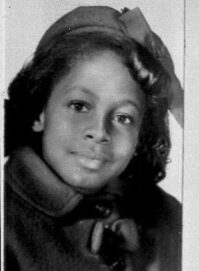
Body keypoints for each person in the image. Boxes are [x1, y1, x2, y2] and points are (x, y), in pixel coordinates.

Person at [4, 6, 182, 271]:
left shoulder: (170, 217)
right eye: (79, 106)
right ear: (39, 110)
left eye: (124, 117)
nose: (99, 131)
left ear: (141, 133)